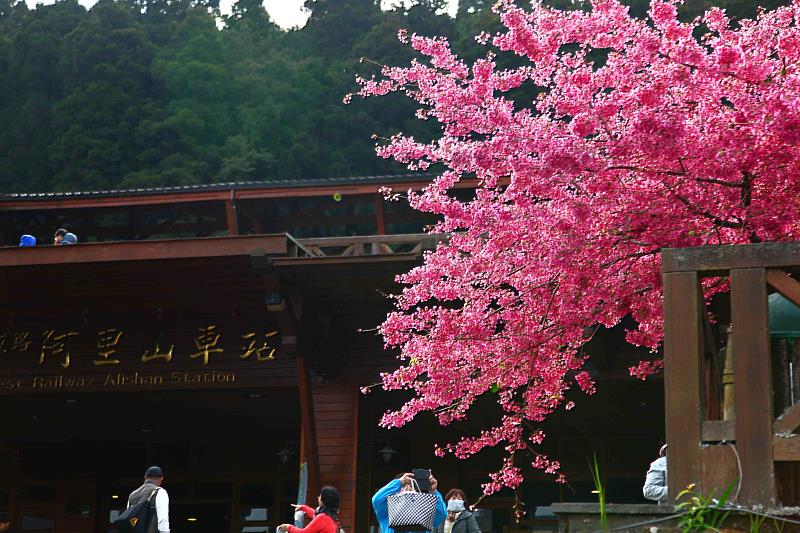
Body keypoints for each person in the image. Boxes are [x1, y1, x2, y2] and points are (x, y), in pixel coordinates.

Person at [372, 472, 446, 533]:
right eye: (403, 486)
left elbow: (441, 515)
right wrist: (399, 482)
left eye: (411, 486)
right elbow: (376, 500)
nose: (407, 490)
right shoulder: (387, 509)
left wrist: (433, 492)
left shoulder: (423, 508)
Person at [127, 466, 170, 533]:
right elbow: (162, 519)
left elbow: (128, 519)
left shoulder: (132, 495)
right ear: (161, 479)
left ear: (145, 478)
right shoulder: (159, 492)